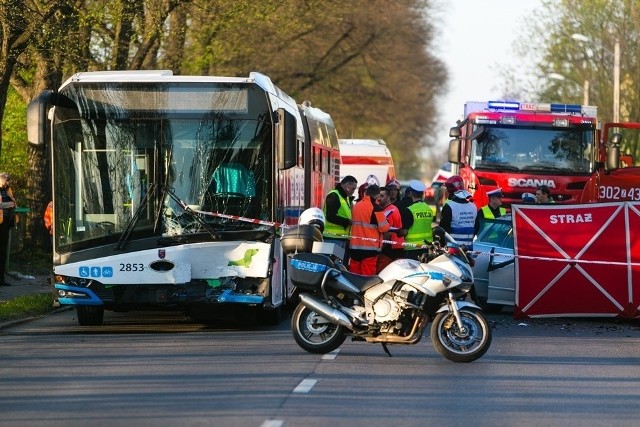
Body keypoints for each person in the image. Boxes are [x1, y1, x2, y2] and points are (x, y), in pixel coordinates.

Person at [348, 184, 390, 275]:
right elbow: (384, 228)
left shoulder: (356, 206)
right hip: (370, 248)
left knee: (353, 275)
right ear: (378, 195)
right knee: (367, 277)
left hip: (355, 247)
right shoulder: (375, 208)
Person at [323, 175, 357, 266]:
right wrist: (348, 222)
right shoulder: (334, 195)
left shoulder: (344, 197)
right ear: (347, 185)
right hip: (332, 238)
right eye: (353, 188)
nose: (354, 191)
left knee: (338, 267)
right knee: (333, 266)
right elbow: (330, 216)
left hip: (340, 238)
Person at [439, 175, 476, 247]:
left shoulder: (449, 206)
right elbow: (476, 226)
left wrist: (442, 244)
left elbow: (444, 228)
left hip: (453, 248)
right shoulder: (473, 206)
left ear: (450, 191)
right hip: (469, 248)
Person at [376, 186, 405, 273]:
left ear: (388, 197)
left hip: (390, 247)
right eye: (378, 196)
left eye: (382, 196)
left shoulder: (390, 211)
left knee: (383, 272)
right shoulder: (387, 209)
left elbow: (388, 233)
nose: (379, 199)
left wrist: (379, 248)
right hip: (394, 246)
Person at [402, 179, 433, 260]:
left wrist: (397, 231)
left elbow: (404, 231)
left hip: (412, 248)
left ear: (410, 193)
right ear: (422, 194)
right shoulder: (429, 209)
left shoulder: (409, 210)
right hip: (426, 247)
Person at [0, 172, 16, 286]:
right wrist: (10, 204)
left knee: (3, 250)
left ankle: (1, 278)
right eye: (6, 181)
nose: (7, 183)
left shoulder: (7, 190)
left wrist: (13, 204)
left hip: (6, 222)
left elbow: (14, 202)